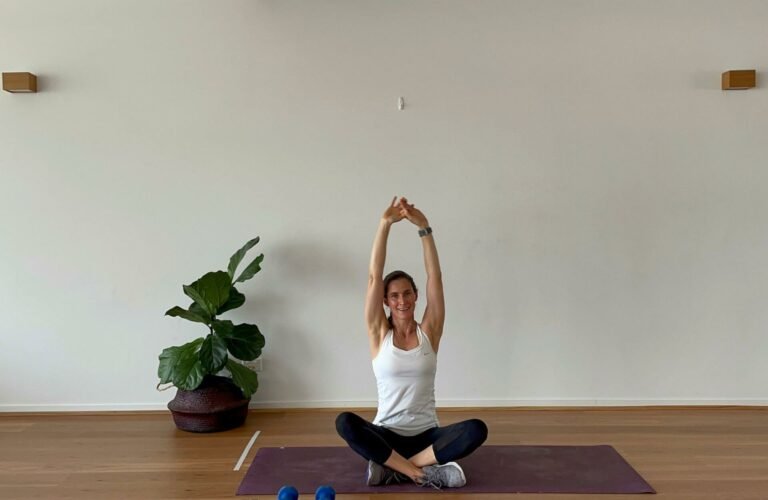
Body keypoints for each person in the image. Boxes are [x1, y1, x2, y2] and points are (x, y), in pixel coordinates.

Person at [336, 196, 488, 489]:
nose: (402, 300)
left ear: (416, 295)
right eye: (394, 296)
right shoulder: (379, 333)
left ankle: (395, 470)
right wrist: (384, 225)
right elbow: (373, 277)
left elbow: (435, 278)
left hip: (427, 437)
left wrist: (425, 229)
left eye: (407, 293)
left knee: (476, 430)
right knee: (345, 422)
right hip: (386, 434)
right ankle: (422, 474)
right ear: (385, 301)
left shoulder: (430, 331)